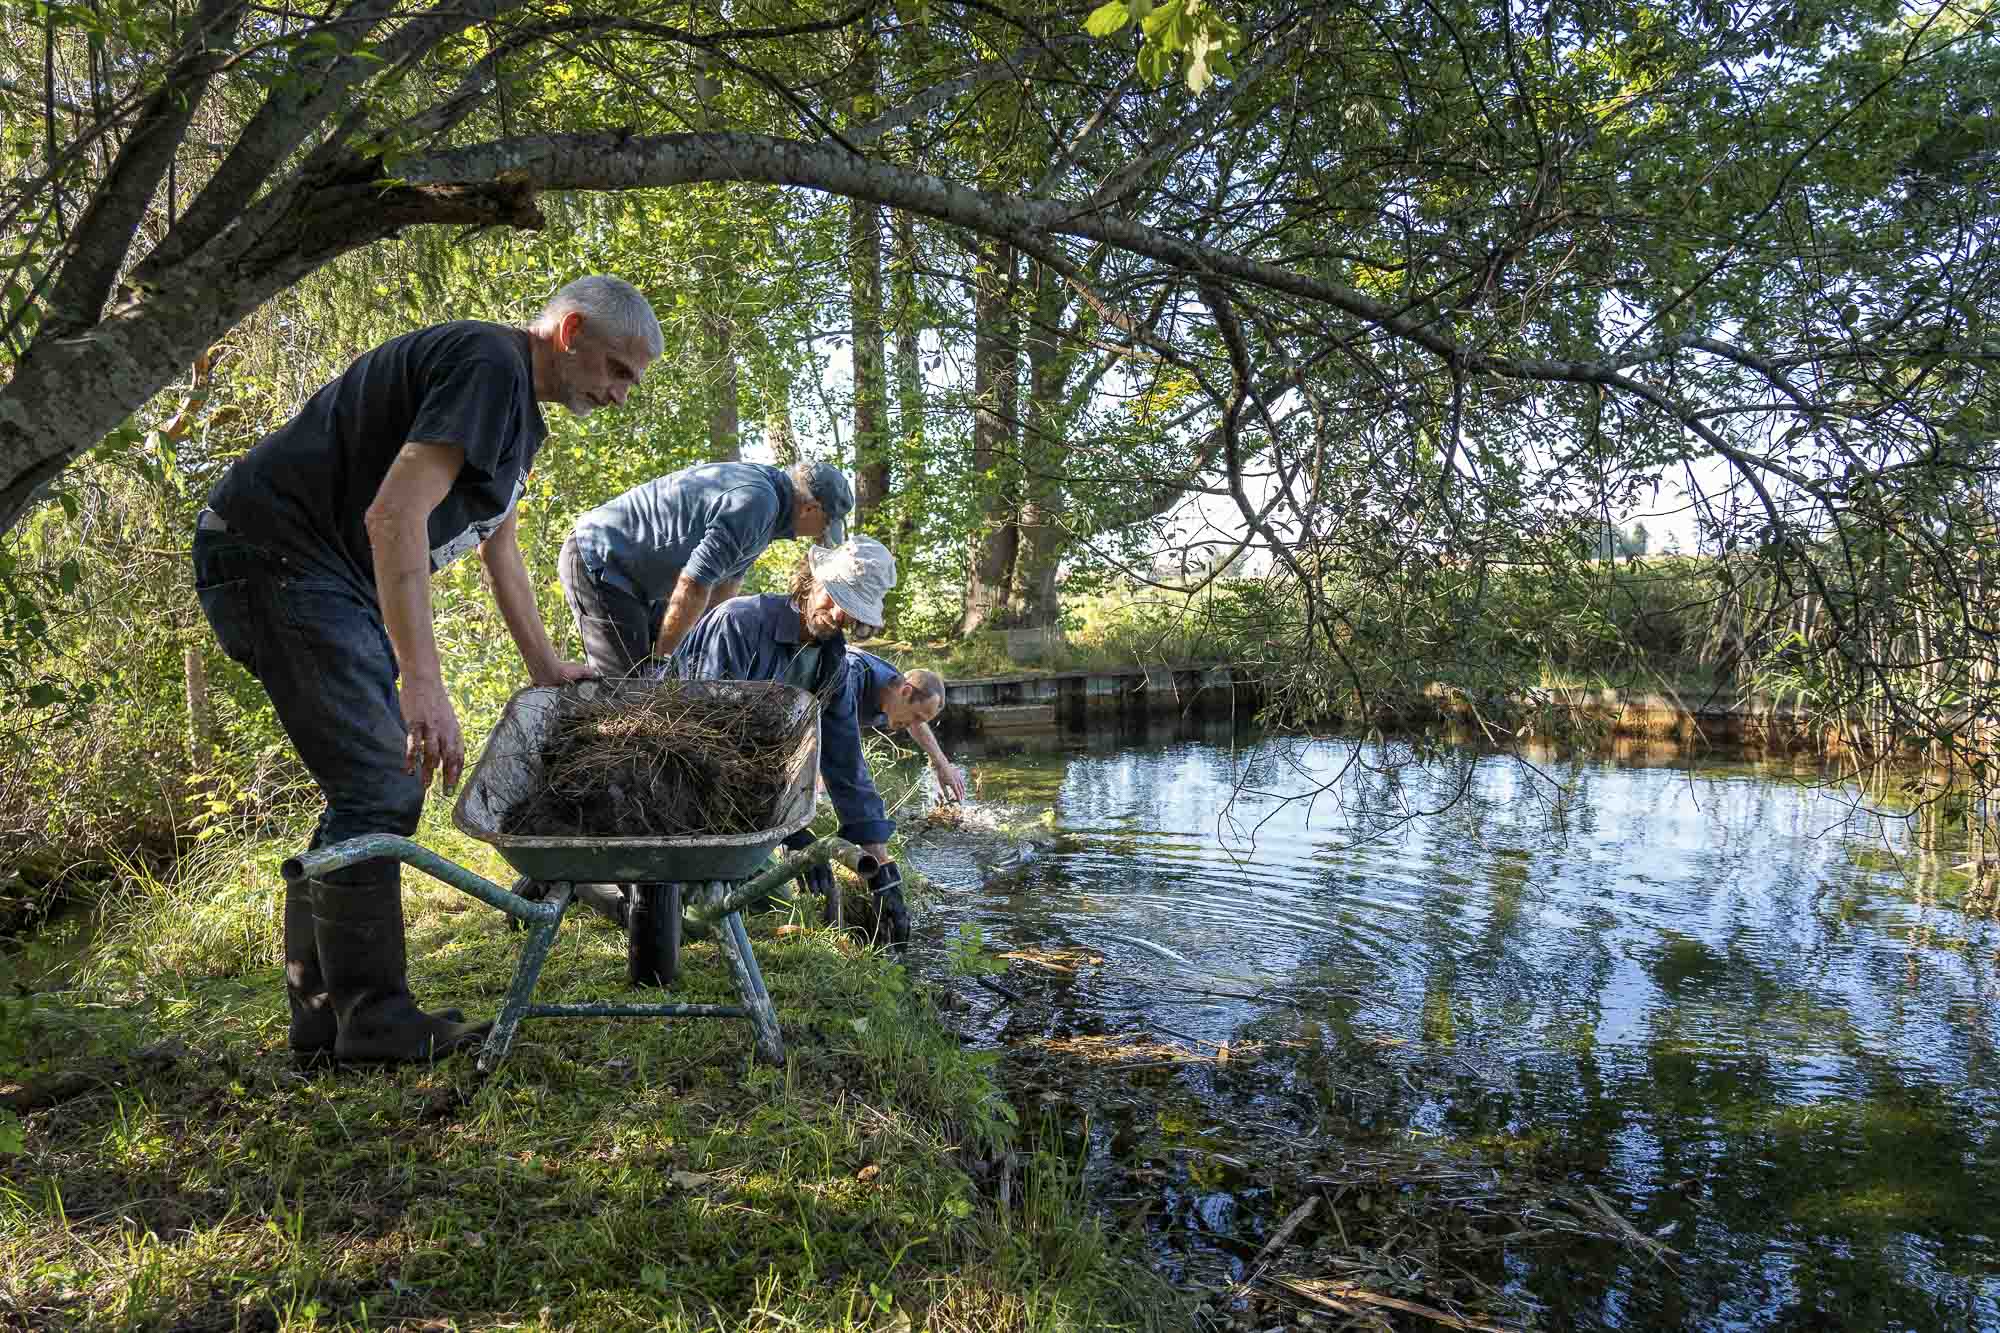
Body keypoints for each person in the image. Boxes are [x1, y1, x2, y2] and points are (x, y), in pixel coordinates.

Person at [192, 275, 661, 1065]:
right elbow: (394, 515)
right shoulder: (487, 365)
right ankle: (374, 1023)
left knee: (365, 788)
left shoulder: (520, 414)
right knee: (382, 779)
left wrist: (547, 667)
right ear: (571, 328)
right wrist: (423, 681)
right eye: (616, 369)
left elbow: (498, 544)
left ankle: (324, 1021)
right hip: (277, 556)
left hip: (316, 573)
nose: (617, 394)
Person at [672, 536, 913, 942]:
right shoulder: (740, 625)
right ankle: (605, 889)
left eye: (851, 609)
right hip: (682, 782)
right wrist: (791, 830)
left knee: (770, 900)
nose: (838, 613)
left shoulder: (833, 660)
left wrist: (884, 872)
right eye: (834, 596)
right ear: (810, 582)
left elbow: (845, 761)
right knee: (699, 921)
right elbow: (710, 745)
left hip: (746, 800)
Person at [559, 460, 855, 676]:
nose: (819, 535)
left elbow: (725, 588)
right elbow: (695, 584)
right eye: (825, 526)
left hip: (642, 582)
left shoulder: (771, 511)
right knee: (629, 692)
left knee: (657, 682)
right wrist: (664, 660)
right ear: (810, 508)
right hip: (601, 558)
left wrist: (702, 645)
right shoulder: (757, 503)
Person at [846, 650, 965, 802]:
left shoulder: (894, 696)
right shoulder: (855, 677)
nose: (913, 725)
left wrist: (942, 764)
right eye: (916, 716)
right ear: (906, 692)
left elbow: (916, 724)